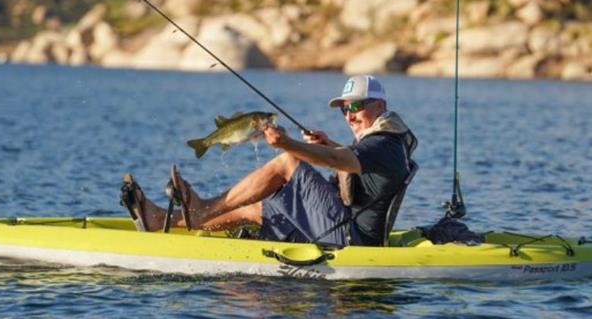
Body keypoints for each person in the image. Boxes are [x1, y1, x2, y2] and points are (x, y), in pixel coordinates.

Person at [120, 74, 417, 246]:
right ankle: (165, 222)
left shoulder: (383, 144)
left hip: (352, 239)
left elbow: (336, 160)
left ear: (380, 105)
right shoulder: (382, 139)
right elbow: (351, 161)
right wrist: (330, 143)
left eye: (355, 106)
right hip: (344, 224)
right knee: (257, 208)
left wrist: (289, 143)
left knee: (287, 162)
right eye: (344, 110)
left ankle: (201, 210)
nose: (349, 116)